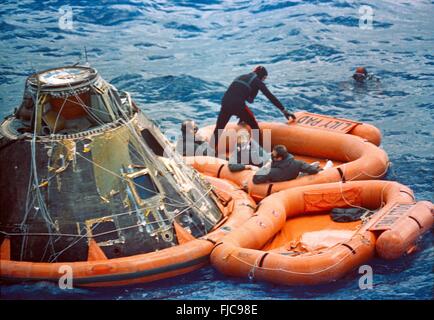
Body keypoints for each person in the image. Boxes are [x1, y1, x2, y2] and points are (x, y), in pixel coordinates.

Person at [210, 66, 295, 151]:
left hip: (225, 103)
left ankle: (209, 150)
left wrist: (242, 115)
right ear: (262, 76)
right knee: (255, 127)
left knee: (219, 128)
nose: (263, 80)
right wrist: (284, 110)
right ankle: (261, 154)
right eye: (264, 78)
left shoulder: (241, 76)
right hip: (237, 105)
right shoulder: (257, 81)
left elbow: (236, 93)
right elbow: (270, 96)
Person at [252, 145, 321, 184]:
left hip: (278, 182)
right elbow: (314, 170)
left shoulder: (271, 171)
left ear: (279, 158)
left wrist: (265, 167)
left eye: (273, 155)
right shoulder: (298, 163)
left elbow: (255, 180)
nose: (272, 155)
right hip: (292, 177)